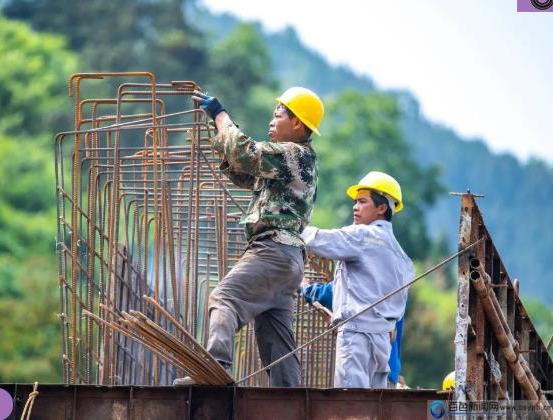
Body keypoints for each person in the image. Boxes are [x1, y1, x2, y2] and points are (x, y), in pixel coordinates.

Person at [174, 87, 325, 386]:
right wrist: (217, 128)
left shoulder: (294, 154)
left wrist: (221, 115)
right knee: (276, 338)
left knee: (224, 298)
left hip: (273, 251)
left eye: (278, 114)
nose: (272, 120)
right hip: (288, 260)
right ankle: (290, 403)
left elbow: (246, 154)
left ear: (297, 124)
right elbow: (243, 169)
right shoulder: (291, 162)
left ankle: (214, 368)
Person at [300, 171, 414, 388]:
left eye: (362, 201)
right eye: (355, 201)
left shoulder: (362, 236)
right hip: (383, 344)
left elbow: (319, 240)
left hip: (356, 338)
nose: (355, 207)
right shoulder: (403, 259)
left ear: (382, 208)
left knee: (350, 403)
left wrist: (285, 227)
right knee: (372, 406)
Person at [302, 281, 405, 388]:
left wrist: (304, 287)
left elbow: (329, 295)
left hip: (359, 359)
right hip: (389, 367)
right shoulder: (397, 275)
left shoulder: (363, 273)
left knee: (353, 401)